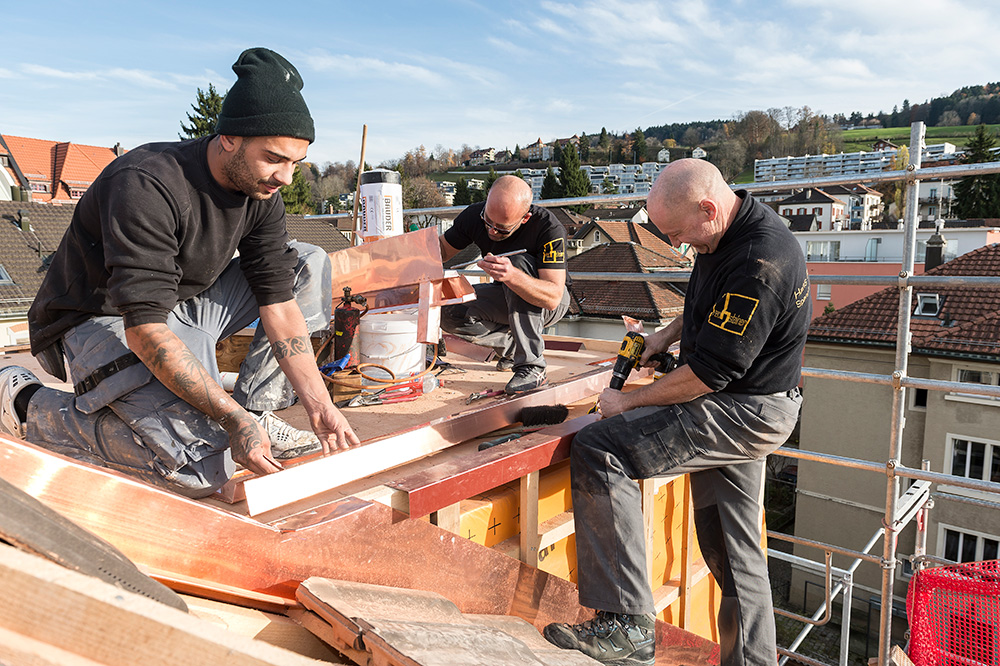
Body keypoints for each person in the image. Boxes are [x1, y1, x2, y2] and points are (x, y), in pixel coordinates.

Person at [0, 47, 359, 498]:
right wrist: (227, 421)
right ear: (229, 138)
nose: (285, 177)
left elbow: (279, 300)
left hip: (184, 306)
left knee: (307, 262)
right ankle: (26, 404)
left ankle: (256, 412)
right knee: (200, 469)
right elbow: (146, 330)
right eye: (273, 158)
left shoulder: (262, 192)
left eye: (295, 163)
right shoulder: (145, 183)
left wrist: (318, 404)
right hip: (100, 319)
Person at [543, 159, 810, 666]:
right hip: (749, 399)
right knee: (732, 550)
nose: (684, 246)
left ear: (707, 209)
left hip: (744, 410)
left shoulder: (760, 262)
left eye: (682, 235)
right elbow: (705, 305)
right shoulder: (728, 229)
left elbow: (709, 374)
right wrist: (661, 338)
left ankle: (627, 623)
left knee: (601, 450)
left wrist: (627, 401)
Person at [439, 175, 570, 394]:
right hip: (504, 295)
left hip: (548, 302)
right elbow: (440, 251)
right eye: (488, 221)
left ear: (525, 218)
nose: (491, 231)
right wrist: (404, 257)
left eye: (502, 229)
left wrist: (512, 276)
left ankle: (532, 366)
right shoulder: (474, 215)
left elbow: (553, 297)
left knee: (517, 265)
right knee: (449, 310)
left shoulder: (549, 228)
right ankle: (512, 350)